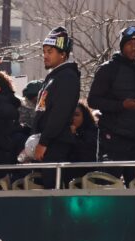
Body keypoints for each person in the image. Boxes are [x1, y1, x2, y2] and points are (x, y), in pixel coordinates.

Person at [88, 25, 135, 185]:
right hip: (113, 139)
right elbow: (93, 100)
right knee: (107, 186)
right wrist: (122, 105)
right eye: (129, 44)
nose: (134, 48)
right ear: (122, 45)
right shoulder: (108, 69)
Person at [32, 27, 81, 189]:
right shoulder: (55, 77)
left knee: (53, 192)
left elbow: (59, 114)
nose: (45, 55)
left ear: (63, 54)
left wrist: (44, 142)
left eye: (50, 51)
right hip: (48, 145)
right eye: (44, 51)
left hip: (55, 146)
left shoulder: (67, 77)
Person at [67, 101, 99, 181]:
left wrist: (74, 136)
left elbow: (86, 154)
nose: (72, 118)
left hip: (86, 175)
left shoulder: (92, 131)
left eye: (76, 115)